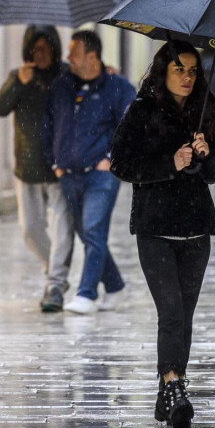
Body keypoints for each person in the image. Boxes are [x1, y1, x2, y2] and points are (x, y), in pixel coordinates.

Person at [110, 40, 215, 428]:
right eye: (179, 69)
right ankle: (175, 386)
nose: (187, 77)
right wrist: (170, 163)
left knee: (185, 317)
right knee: (171, 313)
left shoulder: (207, 110)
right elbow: (121, 163)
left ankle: (168, 389)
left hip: (196, 229)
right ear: (164, 69)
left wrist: (205, 154)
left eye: (193, 71)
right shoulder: (142, 110)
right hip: (155, 228)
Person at [44, 29, 135, 315]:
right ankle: (116, 286)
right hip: (68, 174)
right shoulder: (62, 86)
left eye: (74, 53)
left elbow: (131, 127)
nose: (68, 58)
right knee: (86, 233)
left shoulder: (118, 87)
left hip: (101, 174)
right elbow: (47, 126)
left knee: (94, 228)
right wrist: (54, 162)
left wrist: (111, 158)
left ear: (92, 56)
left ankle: (86, 294)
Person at [0, 25, 74, 312]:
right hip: (27, 164)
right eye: (36, 49)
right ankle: (53, 269)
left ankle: (55, 285)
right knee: (30, 228)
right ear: (28, 51)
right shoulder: (19, 76)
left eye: (46, 48)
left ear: (55, 49)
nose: (41, 55)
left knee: (63, 226)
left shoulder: (66, 74)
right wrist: (18, 84)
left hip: (61, 164)